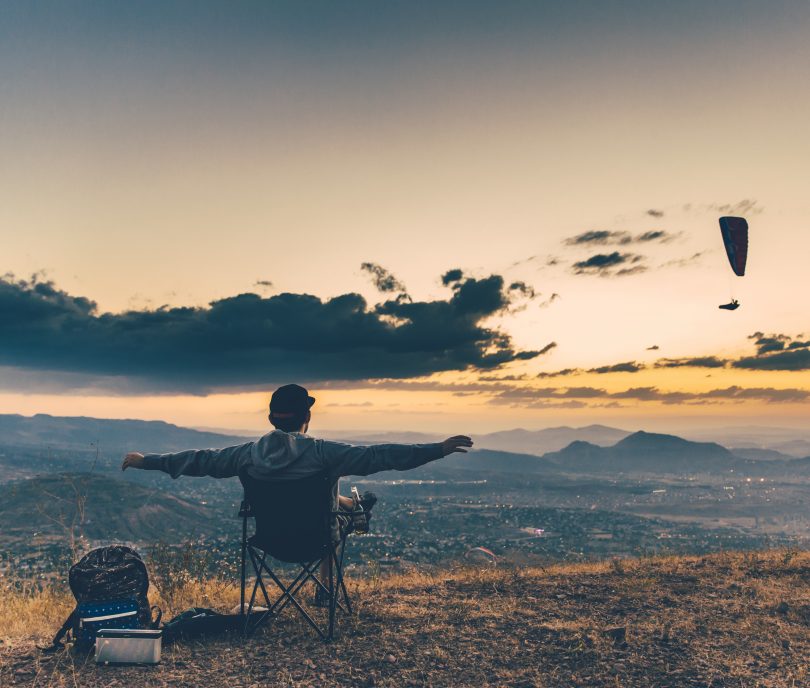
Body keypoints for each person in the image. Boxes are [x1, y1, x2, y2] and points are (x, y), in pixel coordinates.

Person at [122, 383, 473, 606]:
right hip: (317, 538)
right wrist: (436, 449)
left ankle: (354, 507)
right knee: (331, 514)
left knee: (327, 506)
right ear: (307, 416)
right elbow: (378, 456)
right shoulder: (322, 453)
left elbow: (201, 461)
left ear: (272, 419)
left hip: (271, 541)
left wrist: (146, 461)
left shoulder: (247, 454)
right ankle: (331, 579)